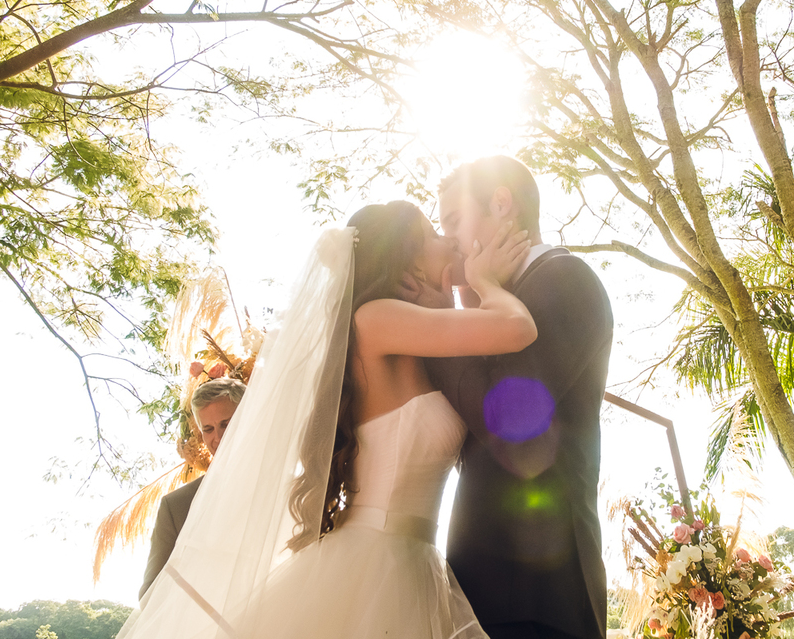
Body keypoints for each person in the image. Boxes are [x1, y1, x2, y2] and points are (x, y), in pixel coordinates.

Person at [116, 201, 536, 639]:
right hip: (376, 564)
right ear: (404, 258)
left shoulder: (411, 335)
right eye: (432, 235)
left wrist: (454, 291)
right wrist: (485, 281)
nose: (447, 240)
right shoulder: (376, 319)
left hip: (413, 561)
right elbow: (517, 328)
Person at [427, 156, 614, 639]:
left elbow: (509, 424)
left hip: (536, 599)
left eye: (453, 221)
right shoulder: (509, 301)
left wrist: (440, 332)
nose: (448, 241)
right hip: (494, 596)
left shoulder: (564, 280)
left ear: (502, 203)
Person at [139, 378, 246, 599]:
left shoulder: (295, 485)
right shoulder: (177, 506)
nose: (218, 437)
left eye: (227, 424)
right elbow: (151, 595)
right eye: (208, 429)